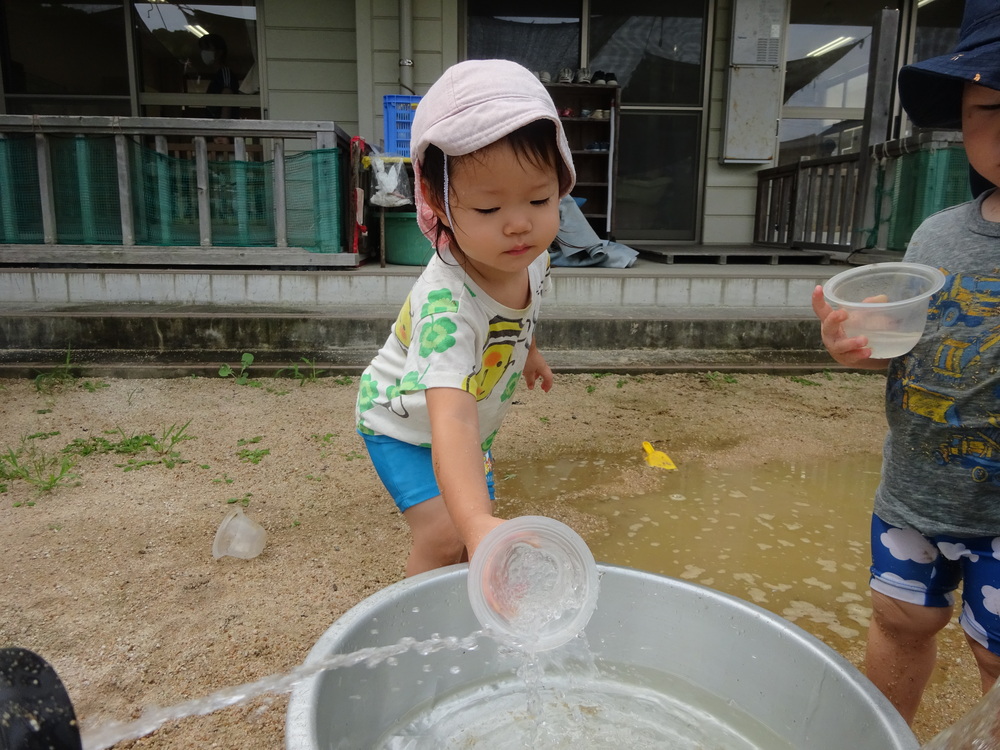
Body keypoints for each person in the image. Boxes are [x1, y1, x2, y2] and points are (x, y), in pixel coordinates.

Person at [811, 0, 1000, 725]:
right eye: (991, 107)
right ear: (962, 117)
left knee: (996, 655)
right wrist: (855, 345)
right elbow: (908, 350)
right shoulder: (937, 236)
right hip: (914, 495)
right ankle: (883, 738)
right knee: (898, 619)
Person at [355, 59, 576, 577]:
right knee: (448, 533)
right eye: (488, 209)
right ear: (437, 203)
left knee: (472, 529)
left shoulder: (533, 260)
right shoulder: (447, 310)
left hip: (467, 427)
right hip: (403, 425)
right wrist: (474, 522)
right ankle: (416, 619)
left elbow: (522, 314)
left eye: (539, 198)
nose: (519, 224)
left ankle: (461, 587)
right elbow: (451, 419)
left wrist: (530, 353)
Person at [198, 33, 237, 119]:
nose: (203, 52)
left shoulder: (225, 73)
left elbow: (227, 97)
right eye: (202, 49)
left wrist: (223, 124)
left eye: (207, 48)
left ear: (219, 52)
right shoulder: (215, 76)